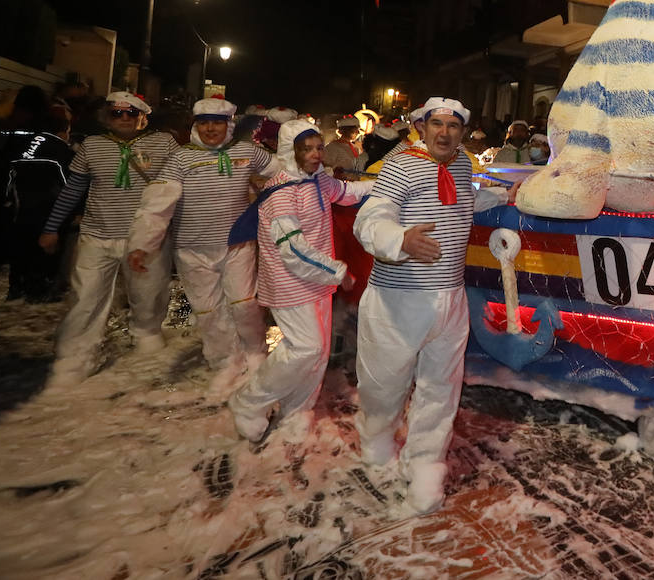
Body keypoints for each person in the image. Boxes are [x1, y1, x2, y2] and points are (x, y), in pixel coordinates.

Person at [352, 97, 511, 514]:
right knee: (384, 383)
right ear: (421, 127)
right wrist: (399, 239)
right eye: (436, 124)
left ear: (462, 131)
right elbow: (369, 219)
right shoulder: (400, 164)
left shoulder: (462, 164)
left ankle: (425, 463)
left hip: (450, 299)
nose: (444, 133)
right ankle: (377, 438)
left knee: (441, 389)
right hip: (399, 299)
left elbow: (461, 200)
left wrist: (502, 196)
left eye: (453, 126)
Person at [229, 118, 374, 441]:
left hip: (317, 283)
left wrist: (387, 184)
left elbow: (348, 192)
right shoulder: (282, 193)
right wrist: (338, 271)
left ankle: (298, 408)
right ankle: (248, 401)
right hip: (289, 283)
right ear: (288, 151)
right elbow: (294, 251)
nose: (315, 154)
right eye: (305, 149)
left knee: (318, 350)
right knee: (305, 348)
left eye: (318, 147)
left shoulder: (317, 181)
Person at [127, 99, 285, 383]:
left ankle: (255, 355)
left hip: (237, 244)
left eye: (217, 122)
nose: (210, 128)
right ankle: (225, 362)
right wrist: (141, 243)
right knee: (209, 310)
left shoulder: (247, 152)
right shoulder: (181, 159)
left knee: (244, 303)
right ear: (196, 125)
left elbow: (285, 174)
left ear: (229, 125)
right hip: (191, 250)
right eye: (204, 122)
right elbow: (156, 204)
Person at [38, 92, 178, 385]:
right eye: (116, 113)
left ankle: (147, 339)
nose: (124, 118)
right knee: (85, 299)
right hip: (97, 234)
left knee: (148, 295)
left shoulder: (164, 143)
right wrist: (51, 227)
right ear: (106, 116)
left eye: (130, 113)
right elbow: (73, 190)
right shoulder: (91, 146)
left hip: (146, 238)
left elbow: (181, 185)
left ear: (143, 115)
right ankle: (74, 357)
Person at [0, 104, 75, 301]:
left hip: (21, 207)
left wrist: (7, 199)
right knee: (47, 249)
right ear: (63, 131)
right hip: (50, 208)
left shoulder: (22, 145)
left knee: (21, 245)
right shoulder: (60, 150)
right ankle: (39, 289)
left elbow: (9, 176)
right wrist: (73, 210)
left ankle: (16, 286)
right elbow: (70, 182)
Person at [324, 115, 362, 180]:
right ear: (346, 130)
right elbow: (325, 167)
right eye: (355, 129)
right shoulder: (332, 147)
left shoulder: (355, 147)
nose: (358, 132)